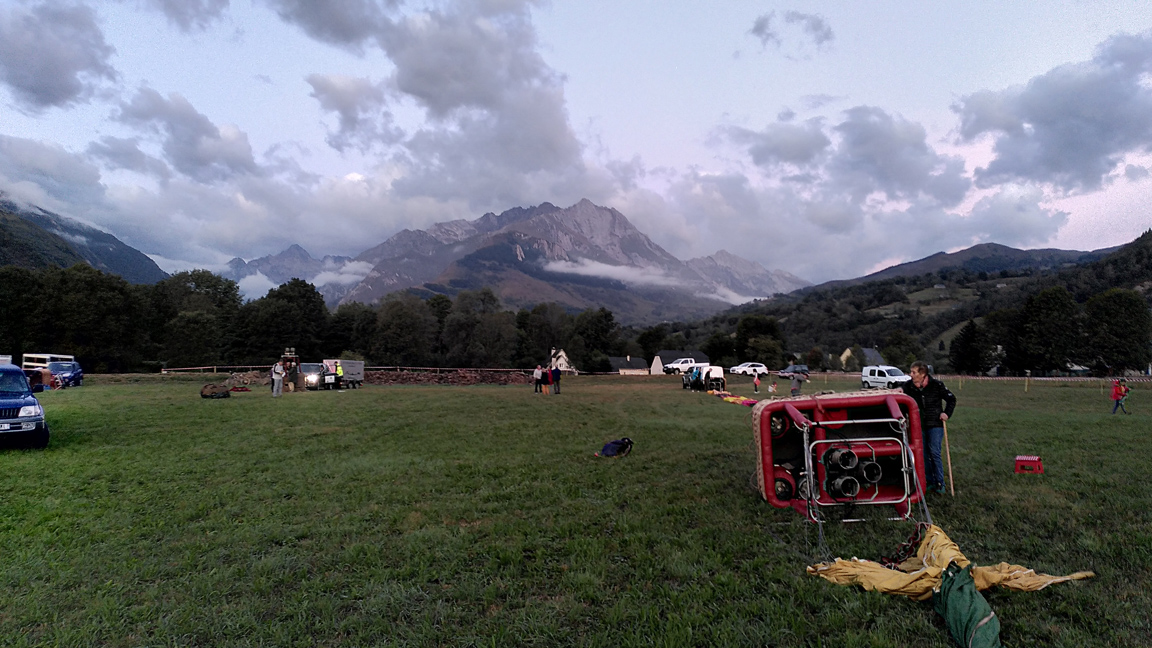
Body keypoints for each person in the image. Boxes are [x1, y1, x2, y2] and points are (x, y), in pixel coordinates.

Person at [900, 361, 957, 494]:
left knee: (934, 452)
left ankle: (940, 482)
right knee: (923, 453)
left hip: (935, 424)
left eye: (914, 372)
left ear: (923, 374)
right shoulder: (909, 386)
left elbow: (951, 399)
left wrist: (946, 414)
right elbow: (901, 389)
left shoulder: (937, 385)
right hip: (918, 425)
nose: (911, 375)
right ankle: (929, 480)